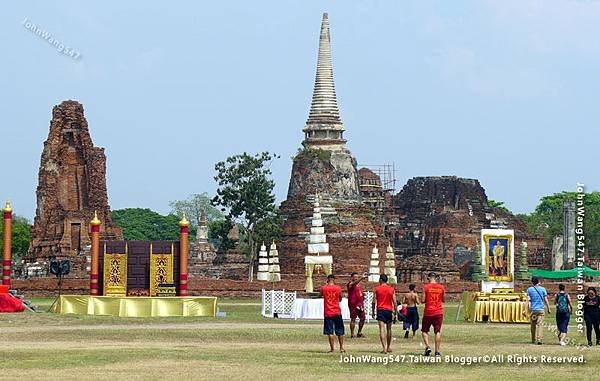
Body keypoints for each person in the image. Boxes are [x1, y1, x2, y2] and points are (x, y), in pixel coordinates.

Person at [372, 274, 397, 354]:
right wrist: (396, 313)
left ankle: (384, 348)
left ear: (381, 280)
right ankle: (389, 347)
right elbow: (395, 302)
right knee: (389, 329)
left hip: (380, 310)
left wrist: (373, 311)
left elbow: (373, 302)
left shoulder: (377, 289)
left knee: (382, 329)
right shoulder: (391, 289)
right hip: (389, 310)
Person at [422, 272, 445, 356]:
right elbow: (443, 299)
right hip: (438, 312)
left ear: (428, 278)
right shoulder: (441, 287)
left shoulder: (426, 287)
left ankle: (428, 346)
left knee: (424, 331)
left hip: (428, 311)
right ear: (436, 278)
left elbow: (423, 300)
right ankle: (437, 352)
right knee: (437, 331)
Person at [320, 274, 345, 353]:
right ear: (334, 279)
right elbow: (340, 298)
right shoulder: (338, 288)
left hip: (328, 312)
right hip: (337, 311)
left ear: (328, 279)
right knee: (340, 331)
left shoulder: (324, 288)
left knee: (330, 331)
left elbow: (320, 295)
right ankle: (341, 348)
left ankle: (332, 348)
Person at [525, 276, 551, 345]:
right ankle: (539, 339)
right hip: (541, 310)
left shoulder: (529, 289)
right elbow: (546, 300)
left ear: (532, 282)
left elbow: (527, 301)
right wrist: (548, 308)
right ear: (538, 282)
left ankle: (533, 339)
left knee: (533, 325)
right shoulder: (543, 289)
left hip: (533, 310)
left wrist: (525, 310)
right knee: (540, 325)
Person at [347, 272, 368, 338]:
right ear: (352, 277)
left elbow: (358, 292)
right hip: (353, 304)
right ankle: (352, 334)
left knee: (363, 318)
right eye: (355, 277)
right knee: (353, 318)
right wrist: (361, 278)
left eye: (357, 277)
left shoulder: (358, 285)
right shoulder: (350, 284)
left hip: (360, 304)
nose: (356, 278)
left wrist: (362, 295)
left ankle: (359, 332)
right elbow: (353, 284)